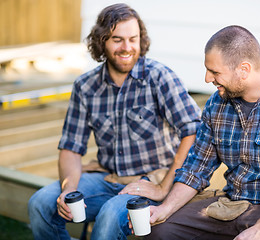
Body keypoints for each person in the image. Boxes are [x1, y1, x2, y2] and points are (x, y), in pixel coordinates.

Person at [28, 3, 201, 240]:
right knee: (40, 204)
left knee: (110, 216)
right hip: (107, 178)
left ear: (141, 39)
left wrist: (163, 187)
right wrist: (69, 189)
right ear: (102, 42)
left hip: (151, 180)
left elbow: (194, 131)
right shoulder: (85, 86)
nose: (127, 47)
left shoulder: (160, 77)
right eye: (117, 39)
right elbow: (70, 147)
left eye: (133, 38)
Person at [144, 25, 260, 240]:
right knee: (160, 232)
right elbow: (196, 168)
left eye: (214, 72)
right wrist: (164, 209)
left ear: (244, 69)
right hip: (231, 206)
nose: (206, 78)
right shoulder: (216, 104)